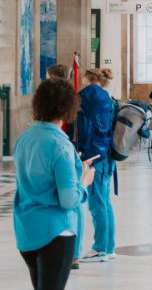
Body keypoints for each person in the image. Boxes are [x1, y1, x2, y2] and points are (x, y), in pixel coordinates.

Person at [13, 78, 95, 290]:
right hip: (56, 231)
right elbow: (68, 200)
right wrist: (83, 181)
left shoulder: (24, 139)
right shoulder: (60, 144)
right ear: (68, 107)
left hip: (27, 229)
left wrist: (72, 164)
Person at [76, 68, 116, 264]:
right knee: (104, 202)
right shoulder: (107, 96)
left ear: (88, 78)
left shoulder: (90, 93)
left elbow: (84, 126)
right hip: (107, 154)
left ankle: (100, 248)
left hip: (95, 156)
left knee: (96, 203)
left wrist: (83, 151)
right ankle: (109, 247)